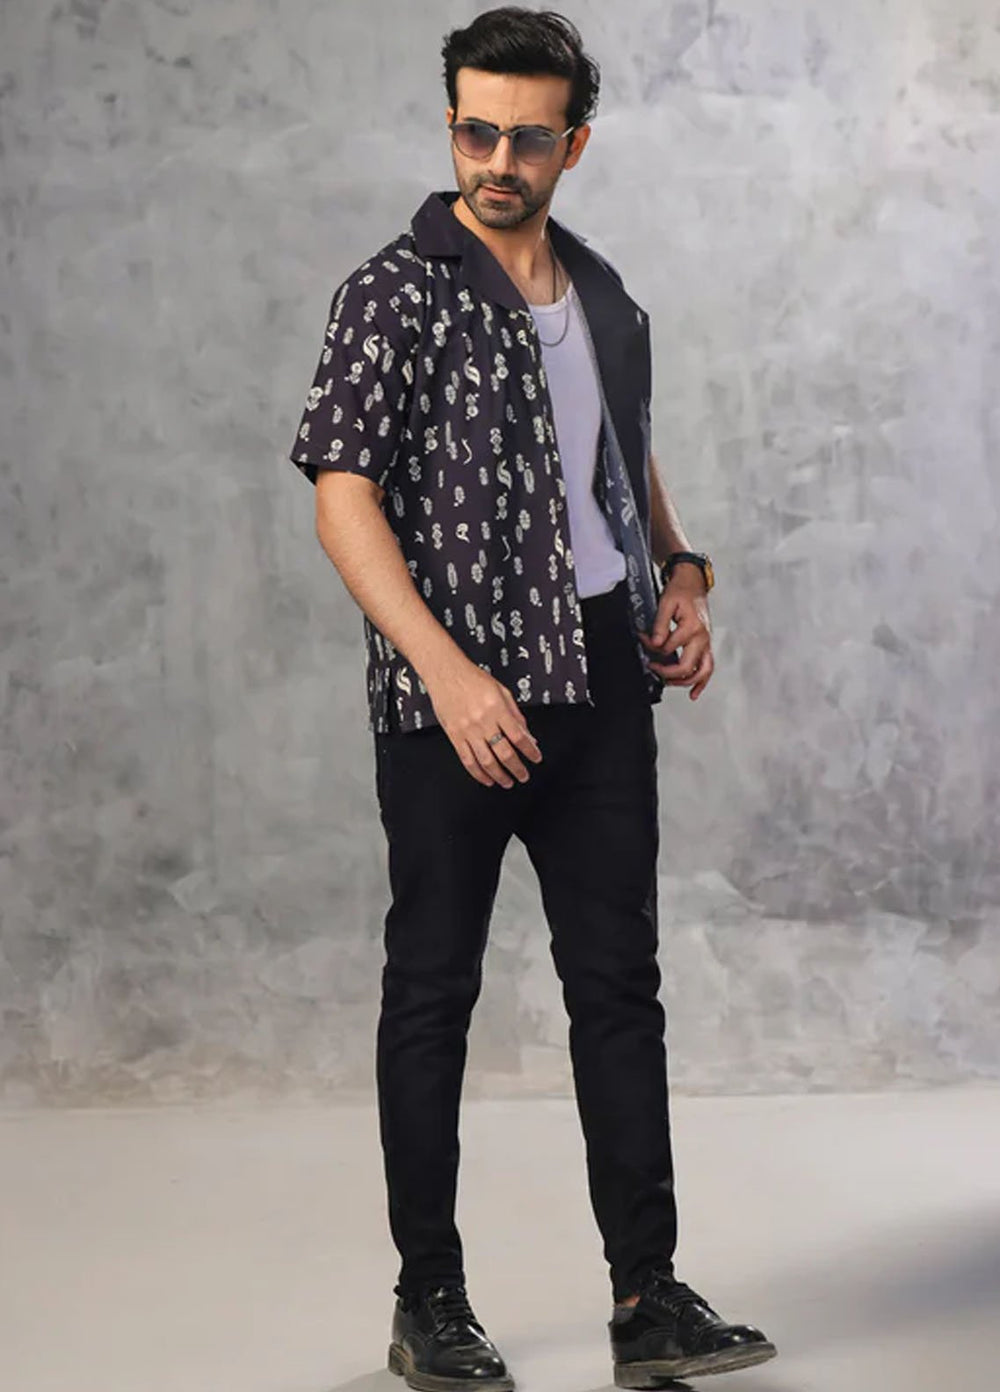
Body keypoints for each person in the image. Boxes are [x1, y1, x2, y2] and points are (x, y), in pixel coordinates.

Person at [287, 7, 777, 1387]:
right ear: (452, 126)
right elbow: (342, 500)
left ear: (576, 143)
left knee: (620, 987)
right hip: (457, 698)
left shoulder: (602, 291)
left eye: (528, 137)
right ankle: (428, 1303)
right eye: (475, 130)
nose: (498, 160)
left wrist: (682, 572)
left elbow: (621, 447)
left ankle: (648, 1298)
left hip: (604, 679)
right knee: (432, 993)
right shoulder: (393, 292)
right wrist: (446, 675)